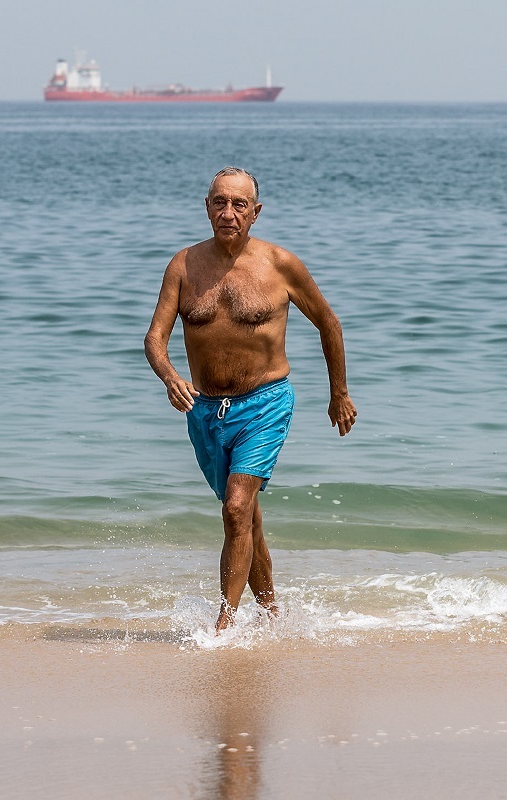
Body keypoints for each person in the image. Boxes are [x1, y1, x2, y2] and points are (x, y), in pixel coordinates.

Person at [144, 166, 357, 634]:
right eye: (220, 202)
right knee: (247, 518)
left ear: (255, 213)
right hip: (204, 412)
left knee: (236, 507)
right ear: (206, 207)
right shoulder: (183, 267)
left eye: (239, 204)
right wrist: (169, 376)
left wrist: (338, 393)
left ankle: (225, 625)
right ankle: (271, 610)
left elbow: (329, 323)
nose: (228, 212)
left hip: (265, 403)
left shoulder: (280, 265)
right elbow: (154, 338)